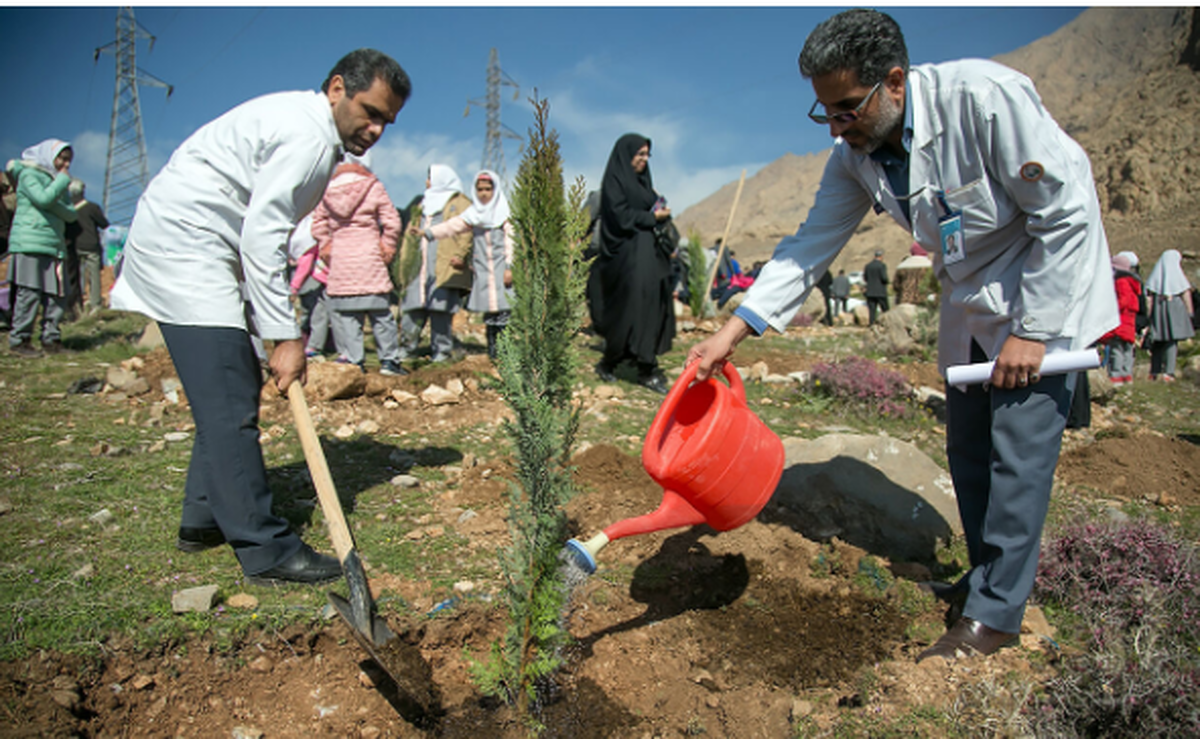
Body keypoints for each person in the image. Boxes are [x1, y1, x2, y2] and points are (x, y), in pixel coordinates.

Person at [685, 9, 1117, 662]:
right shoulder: (853, 157)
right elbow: (808, 248)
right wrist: (732, 331)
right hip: (970, 295)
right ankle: (985, 579)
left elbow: (1064, 207)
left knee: (1018, 454)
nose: (835, 125)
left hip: (1041, 284)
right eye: (824, 113)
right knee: (970, 447)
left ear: (893, 81)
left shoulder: (983, 98)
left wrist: (1034, 331)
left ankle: (996, 618)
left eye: (846, 108)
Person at [110, 49, 411, 585]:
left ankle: (203, 519)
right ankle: (264, 547)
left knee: (235, 382)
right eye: (370, 112)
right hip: (187, 246)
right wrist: (284, 337)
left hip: (202, 247)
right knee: (228, 395)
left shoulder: (305, 126)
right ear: (337, 87)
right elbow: (262, 235)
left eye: (386, 121)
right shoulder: (310, 138)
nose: (376, 129)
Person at [592, 133, 675, 394]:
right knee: (631, 310)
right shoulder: (615, 181)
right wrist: (653, 219)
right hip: (625, 257)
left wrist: (660, 215)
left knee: (651, 306)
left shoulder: (643, 184)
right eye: (639, 154)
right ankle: (628, 365)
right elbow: (619, 216)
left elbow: (647, 209)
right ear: (626, 155)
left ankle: (643, 363)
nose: (644, 160)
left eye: (647, 155)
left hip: (647, 255)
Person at [311, 150, 404, 375]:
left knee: (347, 315)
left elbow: (317, 223)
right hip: (369, 255)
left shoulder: (328, 189)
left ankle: (354, 361)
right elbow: (392, 221)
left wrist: (326, 245)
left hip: (341, 258)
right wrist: (388, 245)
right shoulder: (373, 186)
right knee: (380, 314)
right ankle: (389, 361)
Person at [425, 170, 514, 360]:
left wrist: (509, 267)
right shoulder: (474, 215)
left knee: (504, 312)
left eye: (488, 189)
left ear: (495, 190)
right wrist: (430, 233)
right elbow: (452, 226)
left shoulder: (503, 215)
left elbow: (511, 242)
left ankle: (506, 354)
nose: (484, 193)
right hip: (483, 271)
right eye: (480, 189)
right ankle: (494, 353)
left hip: (501, 271)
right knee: (491, 314)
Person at [5, 139, 77, 357]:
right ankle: (20, 340)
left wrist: (53, 199)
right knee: (29, 294)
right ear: (48, 155)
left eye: (68, 160)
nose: (65, 164)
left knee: (57, 295)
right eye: (61, 158)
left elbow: (71, 214)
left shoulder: (57, 182)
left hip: (54, 245)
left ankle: (51, 339)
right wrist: (57, 190)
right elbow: (43, 199)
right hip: (30, 242)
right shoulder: (29, 175)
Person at [399, 164, 472, 363]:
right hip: (419, 265)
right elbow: (409, 235)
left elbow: (465, 231)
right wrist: (405, 262)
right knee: (413, 307)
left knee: (440, 307)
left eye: (430, 177)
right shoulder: (422, 204)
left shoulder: (459, 202)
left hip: (443, 262)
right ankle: (406, 347)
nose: (427, 182)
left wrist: (461, 255)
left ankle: (442, 351)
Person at [1144, 249, 1194, 382]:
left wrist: (1148, 316)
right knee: (1172, 341)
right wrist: (1190, 313)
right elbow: (1186, 294)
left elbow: (1148, 297)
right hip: (1175, 308)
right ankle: (1169, 372)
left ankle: (1154, 371)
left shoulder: (1155, 277)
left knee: (1158, 341)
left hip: (1158, 309)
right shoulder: (1178, 277)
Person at [64, 180, 109, 315]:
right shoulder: (91, 207)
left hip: (74, 246)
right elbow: (104, 224)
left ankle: (79, 303)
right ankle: (95, 303)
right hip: (91, 244)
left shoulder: (67, 209)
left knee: (76, 275)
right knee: (94, 275)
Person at [1099, 253, 1143, 385]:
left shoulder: (1120, 282)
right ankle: (1127, 374)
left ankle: (1116, 374)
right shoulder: (1132, 283)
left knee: (1116, 349)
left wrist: (1111, 308)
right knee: (1128, 350)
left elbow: (1123, 300)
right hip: (1129, 323)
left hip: (1120, 323)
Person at [864, 249, 889, 324]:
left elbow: (865, 278)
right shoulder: (882, 266)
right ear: (881, 256)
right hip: (880, 292)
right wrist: (886, 282)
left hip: (870, 291)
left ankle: (871, 324)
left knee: (872, 311)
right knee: (885, 310)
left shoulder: (868, 266)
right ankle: (887, 324)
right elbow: (884, 278)